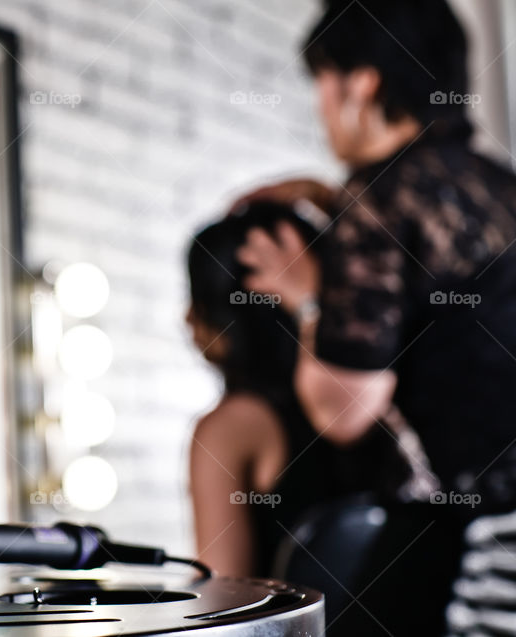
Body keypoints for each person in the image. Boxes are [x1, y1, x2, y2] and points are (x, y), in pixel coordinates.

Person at [234, 0, 516, 632]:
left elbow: (343, 410)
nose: (321, 109)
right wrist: (329, 199)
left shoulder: (380, 197)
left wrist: (307, 293)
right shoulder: (496, 187)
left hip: (498, 545)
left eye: (322, 84)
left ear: (361, 82)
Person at [187, 202, 382, 577]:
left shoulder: (230, 429)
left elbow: (221, 604)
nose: (186, 316)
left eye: (198, 296)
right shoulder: (380, 396)